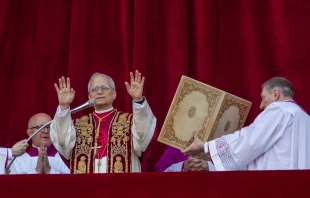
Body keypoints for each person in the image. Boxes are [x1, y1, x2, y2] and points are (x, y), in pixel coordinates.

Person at [183, 77, 310, 171]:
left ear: (275, 94)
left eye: (263, 97)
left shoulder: (279, 110)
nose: (261, 105)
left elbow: (250, 141)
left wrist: (206, 146)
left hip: (277, 185)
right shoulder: (305, 117)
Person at [50, 70, 156, 173]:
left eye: (104, 88)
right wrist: (63, 107)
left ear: (114, 94)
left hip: (121, 187)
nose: (99, 91)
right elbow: (63, 147)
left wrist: (138, 101)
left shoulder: (131, 121)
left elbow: (142, 142)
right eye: (94, 89)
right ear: (89, 96)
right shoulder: (76, 125)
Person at [1, 113, 70, 174]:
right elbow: (12, 185)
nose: (46, 131)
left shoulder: (66, 159)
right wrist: (36, 172)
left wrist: (50, 171)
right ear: (30, 132)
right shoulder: (15, 160)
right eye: (40, 127)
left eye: (50, 127)